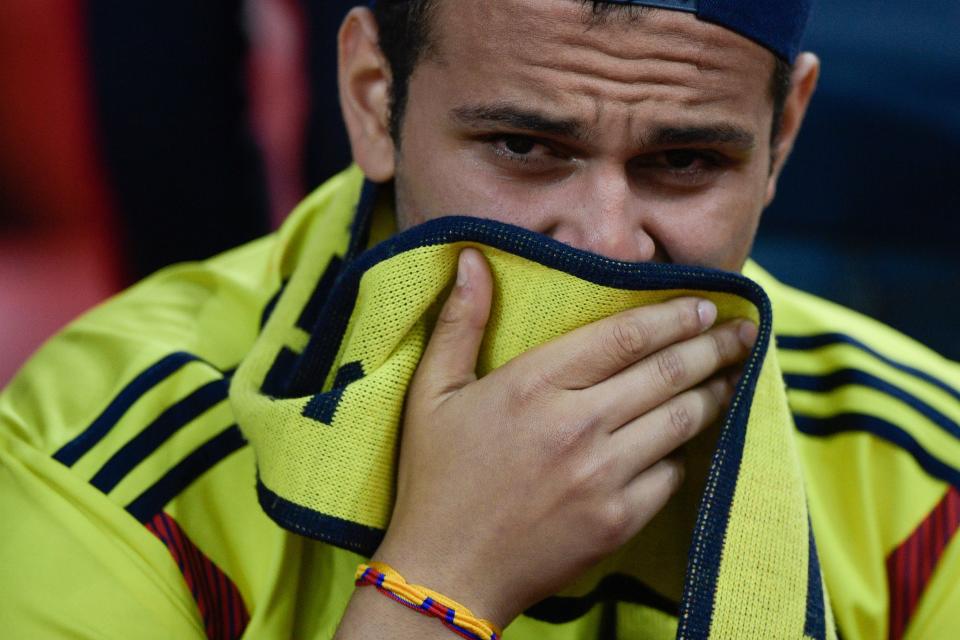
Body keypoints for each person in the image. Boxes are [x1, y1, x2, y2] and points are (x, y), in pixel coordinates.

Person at [1, 1, 958, 639]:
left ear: (784, 133)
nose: (606, 241)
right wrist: (440, 582)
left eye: (686, 161)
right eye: (523, 145)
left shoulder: (927, 475)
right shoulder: (95, 451)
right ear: (375, 102)